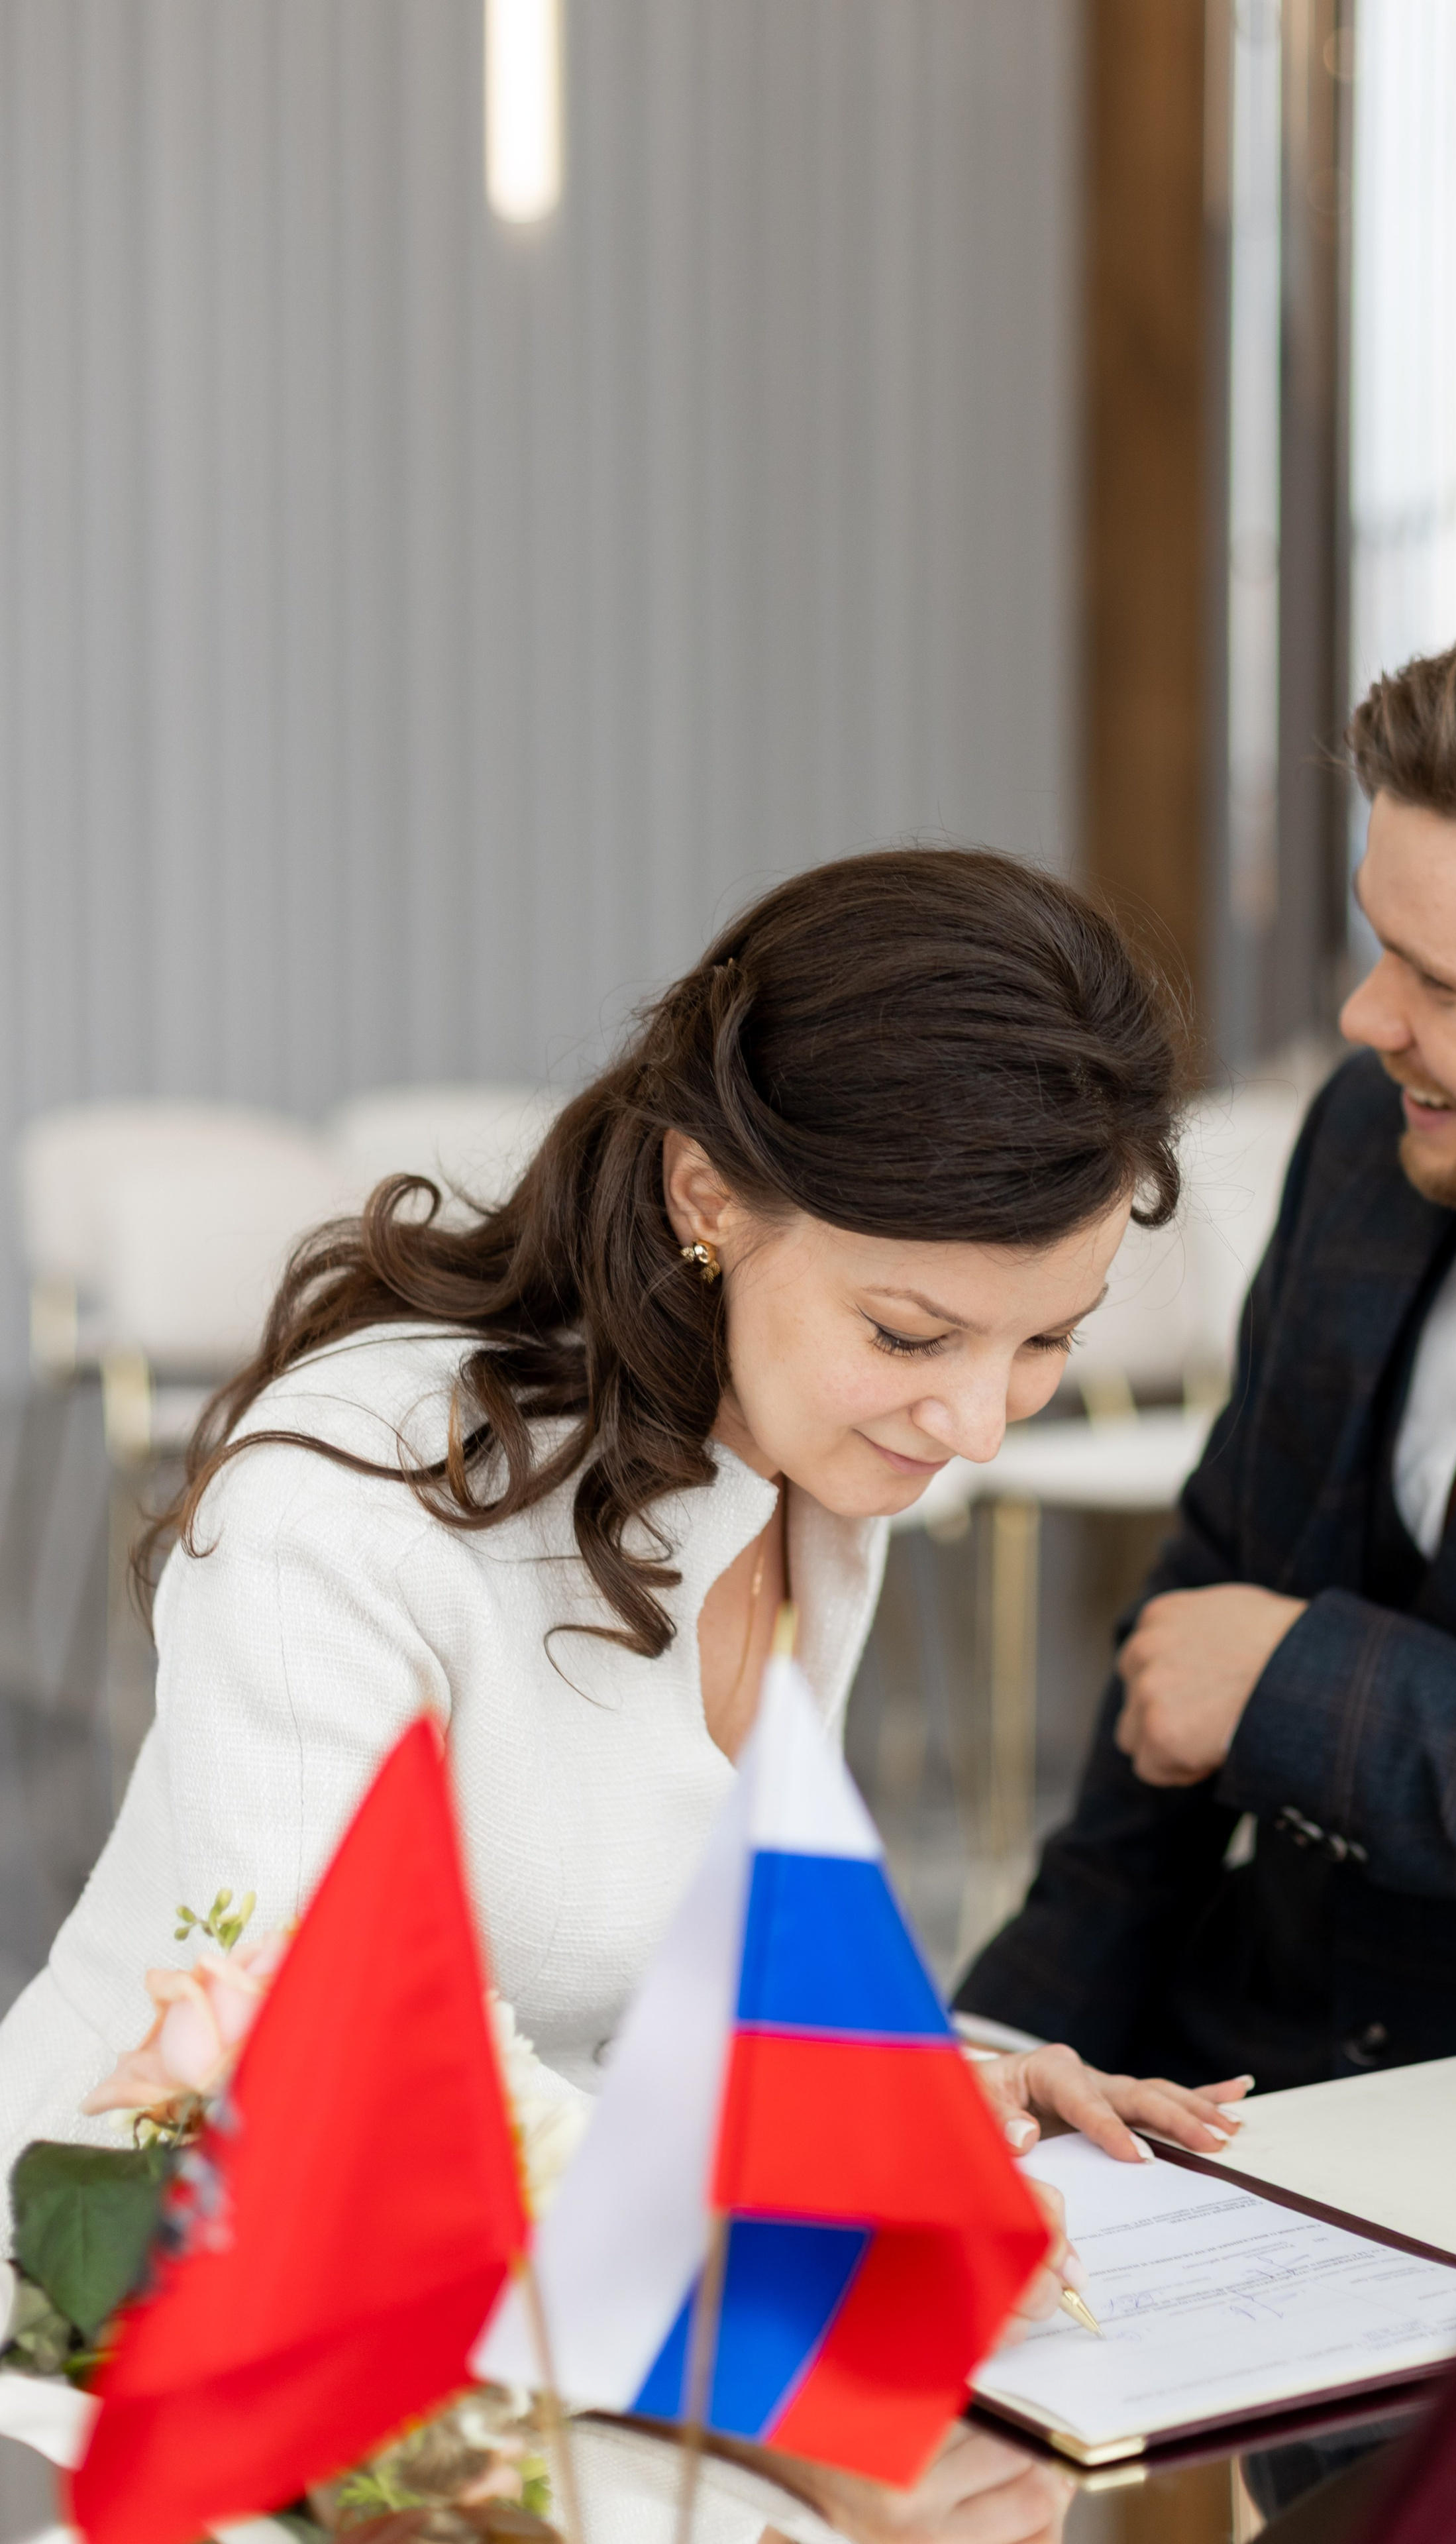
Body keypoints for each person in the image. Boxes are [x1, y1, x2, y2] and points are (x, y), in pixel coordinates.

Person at [0, 845, 1244, 2544]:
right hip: (184, 2287)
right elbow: (317, 2114)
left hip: (568, 2273)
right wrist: (789, 2403)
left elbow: (640, 1977)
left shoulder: (808, 1477)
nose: (978, 1426)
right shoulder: (349, 1503)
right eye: (910, 1334)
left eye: (1042, 1342)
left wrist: (948, 2084)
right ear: (707, 1197)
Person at [957, 608, 1456, 2099]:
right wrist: (991, 2057)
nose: (1364, 1018)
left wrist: (1326, 1696)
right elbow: (1207, 1593)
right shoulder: (1367, 1145)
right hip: (1218, 2095)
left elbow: (1267, 1664)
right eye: (1373, 946)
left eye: (1437, 982)